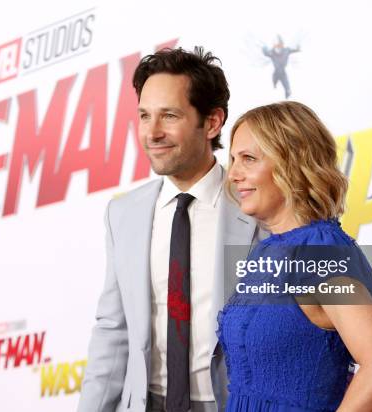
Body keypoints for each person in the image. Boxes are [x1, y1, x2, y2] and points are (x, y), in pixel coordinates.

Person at [78, 47, 266, 412]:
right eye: (144, 116)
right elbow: (113, 329)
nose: (153, 132)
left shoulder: (257, 207)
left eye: (169, 116)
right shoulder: (123, 214)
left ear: (212, 122)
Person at [218, 101, 372, 411]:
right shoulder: (271, 250)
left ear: (292, 163)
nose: (234, 174)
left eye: (249, 159)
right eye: (234, 159)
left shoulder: (319, 252)